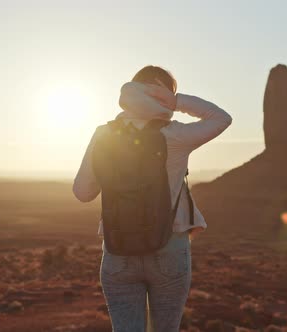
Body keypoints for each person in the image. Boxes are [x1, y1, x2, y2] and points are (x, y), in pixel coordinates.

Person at [72, 65, 232, 331]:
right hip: (169, 249)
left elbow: (82, 192)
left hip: (118, 250)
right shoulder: (176, 135)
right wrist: (178, 102)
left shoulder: (104, 134)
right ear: (162, 95)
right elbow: (221, 118)